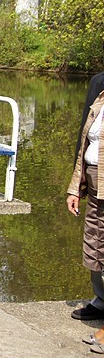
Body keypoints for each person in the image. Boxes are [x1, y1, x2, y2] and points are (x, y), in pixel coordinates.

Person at [66, 71, 104, 343]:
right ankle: (100, 302)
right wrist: (75, 186)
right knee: (94, 241)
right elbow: (85, 143)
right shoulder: (100, 95)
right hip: (93, 177)